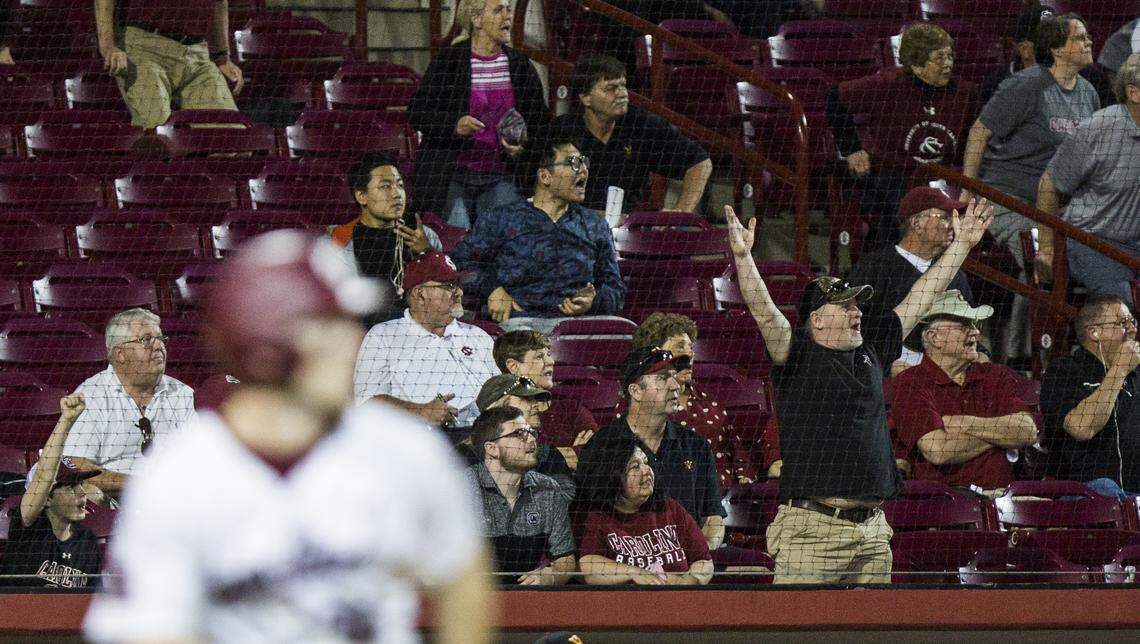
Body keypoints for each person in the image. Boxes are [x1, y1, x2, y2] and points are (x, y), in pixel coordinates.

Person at [83, 230, 493, 643]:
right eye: (330, 327)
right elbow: (152, 631)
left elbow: (463, 574)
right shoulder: (181, 476)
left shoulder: (402, 449)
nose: (352, 343)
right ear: (266, 346)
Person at [724, 195, 992, 584]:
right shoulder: (796, 354)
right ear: (816, 319)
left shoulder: (872, 347)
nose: (857, 313)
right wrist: (744, 258)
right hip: (813, 534)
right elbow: (764, 311)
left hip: (873, 532)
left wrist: (962, 245)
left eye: (857, 306)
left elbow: (924, 294)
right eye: (845, 307)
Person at [450, 127, 626, 333]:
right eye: (573, 163)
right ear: (545, 176)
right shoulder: (503, 218)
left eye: (584, 162)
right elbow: (459, 261)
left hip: (576, 328)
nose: (584, 170)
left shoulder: (594, 224)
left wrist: (594, 301)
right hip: (517, 327)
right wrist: (492, 289)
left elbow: (615, 288)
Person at [963, 12, 1099, 267]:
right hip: (1008, 199)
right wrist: (968, 187)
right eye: (1080, 38)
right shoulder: (1026, 85)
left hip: (1056, 206)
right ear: (1057, 50)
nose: (1089, 42)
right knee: (1041, 260)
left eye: (1088, 37)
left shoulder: (1088, 93)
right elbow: (979, 132)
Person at [827, 23, 980, 249]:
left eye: (950, 56)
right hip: (894, 175)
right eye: (939, 58)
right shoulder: (888, 85)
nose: (948, 64)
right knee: (907, 209)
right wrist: (852, 149)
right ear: (917, 65)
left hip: (945, 176)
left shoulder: (967, 93)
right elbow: (834, 99)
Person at [408, 0, 549, 229]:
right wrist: (454, 125)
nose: (507, 17)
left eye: (508, 10)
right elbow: (417, 112)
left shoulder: (519, 65)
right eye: (497, 10)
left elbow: (541, 122)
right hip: (452, 175)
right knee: (456, 244)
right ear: (476, 20)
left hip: (501, 176)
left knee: (498, 243)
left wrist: (524, 144)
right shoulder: (449, 62)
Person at [577, 347, 726, 550]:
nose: (676, 385)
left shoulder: (697, 446)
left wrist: (700, 553)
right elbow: (589, 524)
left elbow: (713, 519)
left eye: (674, 376)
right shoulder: (602, 447)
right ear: (635, 391)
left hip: (688, 568)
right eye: (663, 378)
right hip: (627, 565)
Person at [891, 291, 1038, 491]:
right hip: (945, 504)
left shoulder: (996, 375)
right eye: (964, 325)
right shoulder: (910, 383)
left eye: (975, 325)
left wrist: (964, 423)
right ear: (935, 338)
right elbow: (939, 451)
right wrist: (1002, 438)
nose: (975, 332)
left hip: (1004, 500)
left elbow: (1027, 431)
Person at [551, 53, 712, 215]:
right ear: (585, 98)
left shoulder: (641, 125)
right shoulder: (561, 131)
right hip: (573, 228)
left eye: (623, 86)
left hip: (628, 230)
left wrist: (681, 212)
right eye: (611, 88)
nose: (622, 94)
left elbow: (700, 162)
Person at [1036, 52, 1140, 299]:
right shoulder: (1100, 128)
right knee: (1120, 299)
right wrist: (1047, 247)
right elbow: (1049, 184)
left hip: (1135, 246)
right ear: (1134, 93)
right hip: (1091, 243)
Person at [62, 308, 196, 499]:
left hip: (177, 500)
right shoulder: (92, 396)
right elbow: (77, 467)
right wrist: (144, 485)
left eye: (160, 338)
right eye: (147, 340)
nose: (159, 346)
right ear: (120, 354)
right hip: (114, 503)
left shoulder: (183, 394)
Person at [354, 252, 499, 428]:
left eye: (458, 285)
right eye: (449, 286)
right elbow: (368, 402)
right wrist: (419, 411)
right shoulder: (383, 336)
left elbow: (502, 389)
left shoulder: (477, 335)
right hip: (427, 437)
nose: (459, 292)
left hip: (488, 433)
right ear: (420, 295)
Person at [847, 186, 976, 374]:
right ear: (916, 223)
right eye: (945, 217)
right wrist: (886, 366)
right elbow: (855, 332)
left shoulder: (955, 274)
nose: (952, 225)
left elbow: (971, 324)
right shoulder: (873, 268)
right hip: (890, 370)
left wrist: (981, 355)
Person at [631, 312, 758, 491]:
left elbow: (737, 454)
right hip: (664, 500)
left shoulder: (709, 403)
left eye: (691, 347)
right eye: (679, 346)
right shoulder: (637, 402)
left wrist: (744, 482)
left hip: (721, 501)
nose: (689, 354)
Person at [576, 434, 713, 585]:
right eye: (635, 466)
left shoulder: (669, 507)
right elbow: (589, 566)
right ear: (612, 476)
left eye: (646, 462)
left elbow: (704, 560)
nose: (647, 470)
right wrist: (635, 573)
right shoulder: (598, 517)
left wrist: (688, 582)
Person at [1040, 296, 1140, 499]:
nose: (1132, 329)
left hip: (1134, 495)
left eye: (1132, 321)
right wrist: (1119, 370)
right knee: (1105, 487)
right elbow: (1082, 428)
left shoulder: (1137, 374)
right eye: (1122, 323)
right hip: (1084, 497)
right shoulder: (1064, 371)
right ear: (1094, 332)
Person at [0, 395, 102, 590]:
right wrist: (66, 421)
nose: (81, 493)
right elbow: (43, 477)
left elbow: (93, 600)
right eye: (70, 487)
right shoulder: (28, 529)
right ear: (46, 498)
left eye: (80, 485)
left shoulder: (86, 540)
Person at [467, 405, 576, 585]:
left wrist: (551, 576)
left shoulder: (548, 489)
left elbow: (566, 559)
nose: (532, 439)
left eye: (531, 432)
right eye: (519, 434)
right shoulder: (461, 491)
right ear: (492, 449)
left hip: (527, 599)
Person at [329, 151, 443, 323]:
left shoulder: (424, 236)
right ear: (362, 196)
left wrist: (426, 253)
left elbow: (449, 295)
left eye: (400, 185)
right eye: (385, 186)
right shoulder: (341, 242)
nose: (397, 194)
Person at [93, 1, 243, 129]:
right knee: (158, 137)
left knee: (233, 141)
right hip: (144, 49)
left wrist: (222, 56)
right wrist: (107, 46)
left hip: (197, 54)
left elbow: (220, 2)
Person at [458, 373, 575, 498]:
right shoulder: (463, 456)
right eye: (527, 399)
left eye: (535, 399)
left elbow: (564, 498)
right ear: (502, 406)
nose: (536, 404)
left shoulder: (548, 454)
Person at [492, 330, 597, 468]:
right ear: (514, 366)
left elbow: (598, 453)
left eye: (548, 355)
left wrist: (545, 456)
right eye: (539, 356)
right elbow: (516, 460)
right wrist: (569, 453)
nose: (551, 361)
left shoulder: (569, 406)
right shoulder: (501, 412)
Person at [982, 4, 1114, 108]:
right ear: (1024, 49)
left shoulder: (1092, 78)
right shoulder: (998, 82)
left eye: (1059, 37)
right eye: (1046, 40)